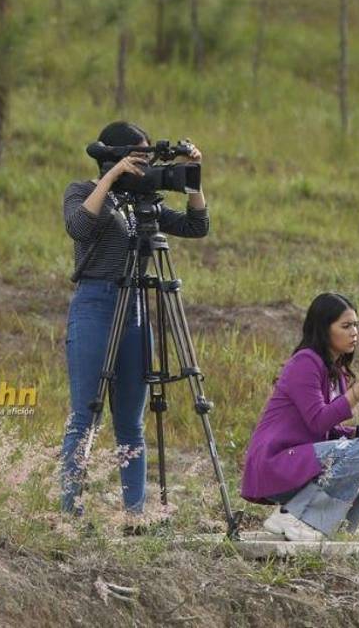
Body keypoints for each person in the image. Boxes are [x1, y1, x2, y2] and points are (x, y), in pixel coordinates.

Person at [58, 121, 208, 516]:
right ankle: (70, 511)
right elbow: (79, 226)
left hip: (136, 307)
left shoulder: (148, 204)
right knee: (85, 413)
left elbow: (197, 225)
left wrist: (193, 179)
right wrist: (111, 177)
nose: (141, 168)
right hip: (95, 303)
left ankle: (135, 513)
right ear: (115, 156)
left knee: (131, 421)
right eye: (135, 159)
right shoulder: (83, 190)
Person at [241, 293, 359, 541]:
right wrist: (358, 392)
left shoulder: (336, 372)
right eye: (346, 326)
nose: (354, 332)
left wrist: (358, 433)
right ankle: (296, 516)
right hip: (276, 462)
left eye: (356, 325)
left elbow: (326, 429)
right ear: (324, 329)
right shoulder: (305, 363)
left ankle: (335, 527)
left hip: (303, 459)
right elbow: (318, 420)